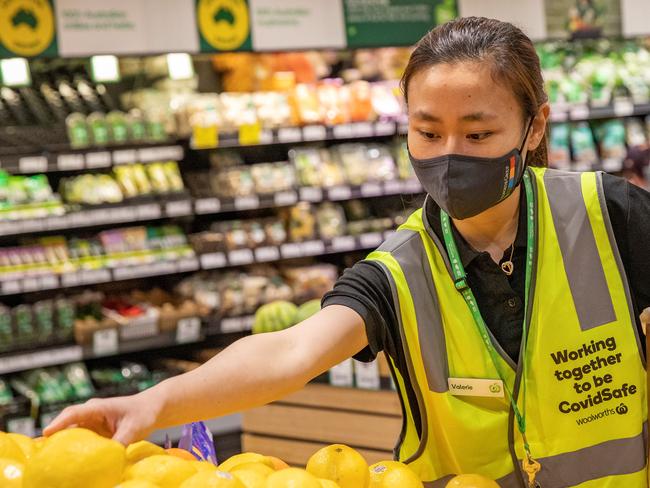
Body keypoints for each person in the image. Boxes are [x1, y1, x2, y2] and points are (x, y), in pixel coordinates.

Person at [45, 17, 650, 487]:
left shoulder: (611, 213)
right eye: (428, 131)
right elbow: (290, 350)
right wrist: (152, 404)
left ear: (535, 126)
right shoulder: (401, 268)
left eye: (479, 132)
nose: (449, 153)